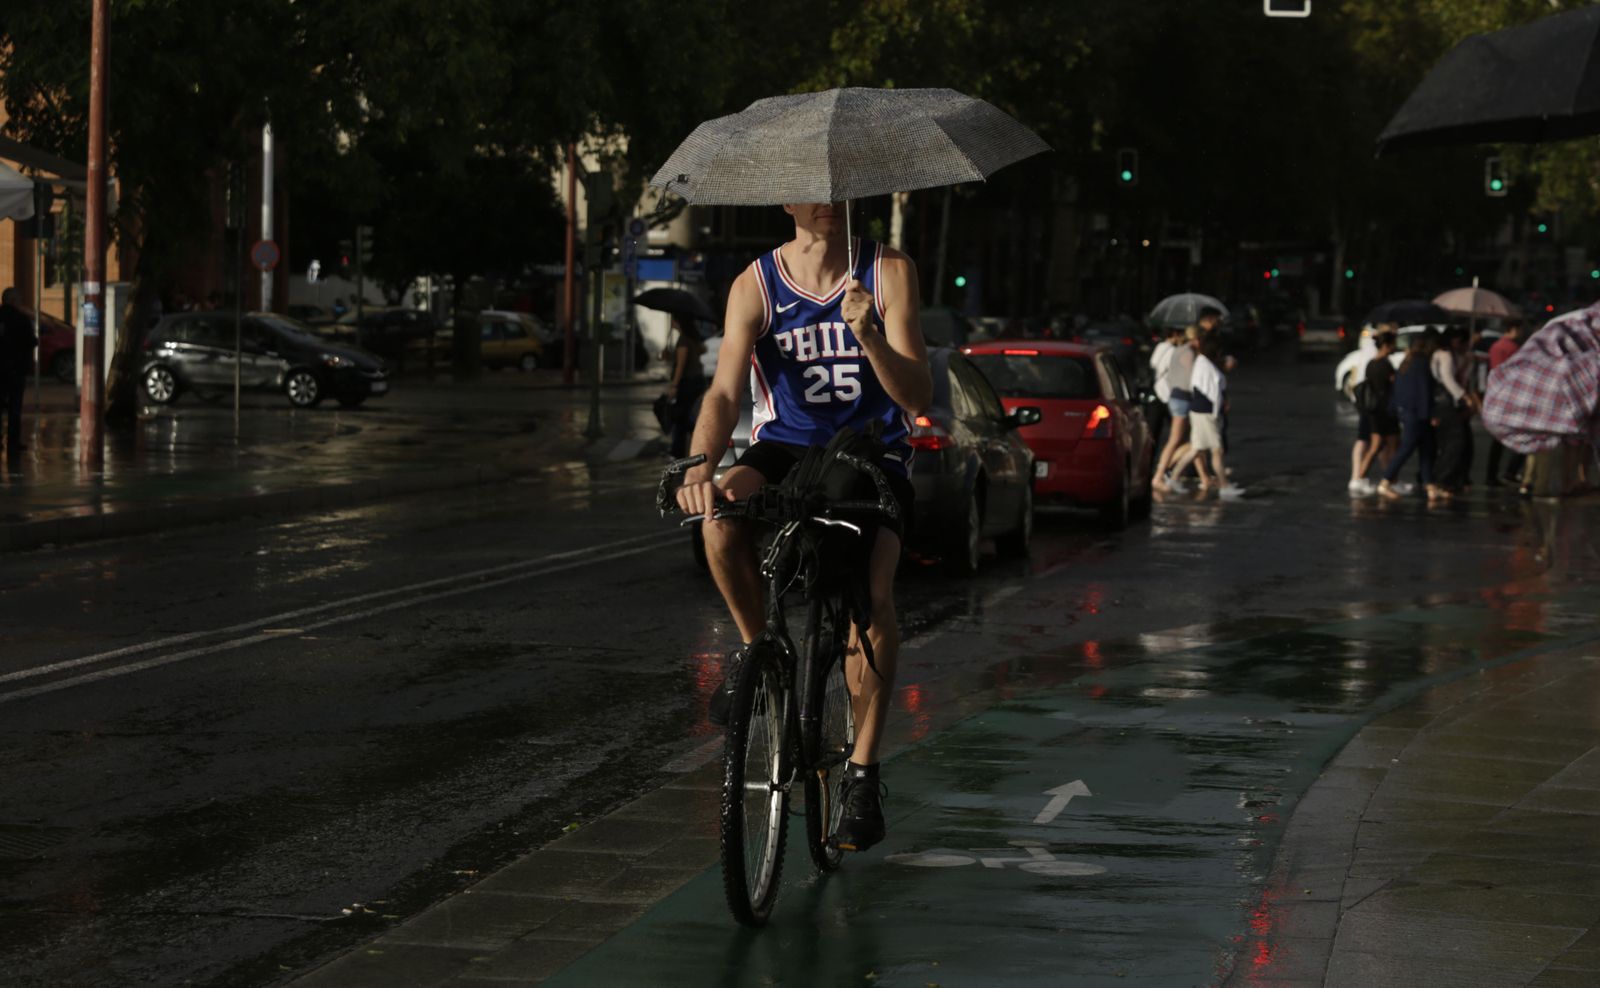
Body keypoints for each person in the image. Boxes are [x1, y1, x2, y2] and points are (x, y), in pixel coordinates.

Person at [675, 202, 930, 853]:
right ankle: (760, 655)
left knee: (869, 599)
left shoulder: (889, 271)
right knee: (720, 519)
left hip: (871, 450)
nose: (823, 195)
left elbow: (918, 398)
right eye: (806, 184)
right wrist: (702, 466)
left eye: (836, 185)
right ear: (784, 199)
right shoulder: (754, 284)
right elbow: (725, 393)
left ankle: (864, 776)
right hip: (786, 448)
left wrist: (870, 333)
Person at [1168, 334, 1242, 496]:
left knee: (1196, 449)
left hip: (1201, 411)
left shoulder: (1204, 363)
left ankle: (1173, 479)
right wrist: (1217, 412)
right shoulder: (1205, 365)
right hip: (1205, 413)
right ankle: (1224, 486)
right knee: (1216, 450)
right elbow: (1213, 391)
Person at [1379, 332, 1448, 501]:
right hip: (1417, 414)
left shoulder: (1406, 363)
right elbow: (1424, 391)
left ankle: (1429, 485)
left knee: (1427, 448)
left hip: (1408, 412)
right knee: (1407, 448)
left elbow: (1399, 390)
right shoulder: (1421, 364)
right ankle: (1385, 482)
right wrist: (1430, 414)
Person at [1430, 328, 1475, 493]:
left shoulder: (1456, 356)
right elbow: (1448, 379)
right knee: (1454, 444)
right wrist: (1464, 396)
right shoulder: (1444, 355)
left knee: (1461, 444)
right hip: (1446, 405)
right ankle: (1443, 479)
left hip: (1451, 405)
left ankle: (1456, 479)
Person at [1154, 325, 1199, 490]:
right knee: (1177, 440)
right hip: (1182, 398)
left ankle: (1201, 476)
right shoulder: (1186, 353)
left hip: (1177, 397)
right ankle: (1160, 474)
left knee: (1190, 440)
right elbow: (1190, 377)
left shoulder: (1179, 350)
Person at [1354, 332, 1400, 488]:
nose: (1395, 347)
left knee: (1375, 446)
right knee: (1393, 446)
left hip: (1374, 411)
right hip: (1386, 410)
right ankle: (1391, 481)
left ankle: (1359, 477)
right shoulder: (1386, 365)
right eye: (1393, 343)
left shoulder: (1371, 364)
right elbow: (1394, 385)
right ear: (1387, 345)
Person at [1485, 320, 1525, 487]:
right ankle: (1511, 471)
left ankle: (1491, 474)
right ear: (1513, 328)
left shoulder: (1495, 346)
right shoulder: (1513, 348)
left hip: (1496, 395)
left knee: (1497, 440)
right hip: (1511, 396)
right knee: (1522, 436)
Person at [0, 288, 37, 457]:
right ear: (13, 300)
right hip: (16, 369)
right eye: (19, 300)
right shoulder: (22, 319)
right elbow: (30, 341)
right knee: (15, 408)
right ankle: (13, 444)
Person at [664, 318, 708, 458]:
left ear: (678, 321)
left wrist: (674, 385)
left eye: (673, 319)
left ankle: (678, 452)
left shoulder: (683, 340)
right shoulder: (692, 338)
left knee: (682, 420)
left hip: (687, 384)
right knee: (690, 417)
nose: (671, 322)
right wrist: (671, 355)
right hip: (697, 382)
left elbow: (681, 365)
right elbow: (700, 351)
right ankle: (696, 448)